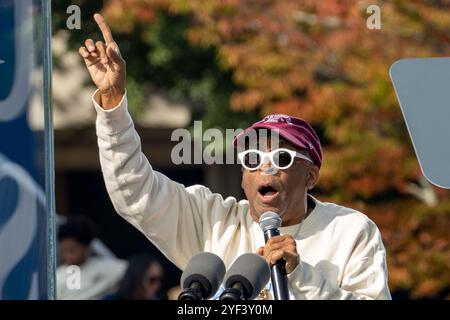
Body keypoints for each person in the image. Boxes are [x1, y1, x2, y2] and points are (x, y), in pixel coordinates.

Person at [78, 13, 391, 299]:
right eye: (252, 159)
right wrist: (112, 101)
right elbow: (133, 191)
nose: (264, 168)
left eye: (282, 158)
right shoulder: (212, 220)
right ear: (243, 176)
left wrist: (302, 276)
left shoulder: (351, 230)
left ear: (311, 176)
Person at [56, 216, 127, 300]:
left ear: (86, 247)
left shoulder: (109, 268)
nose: (68, 256)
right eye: (64, 250)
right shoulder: (58, 276)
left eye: (72, 250)